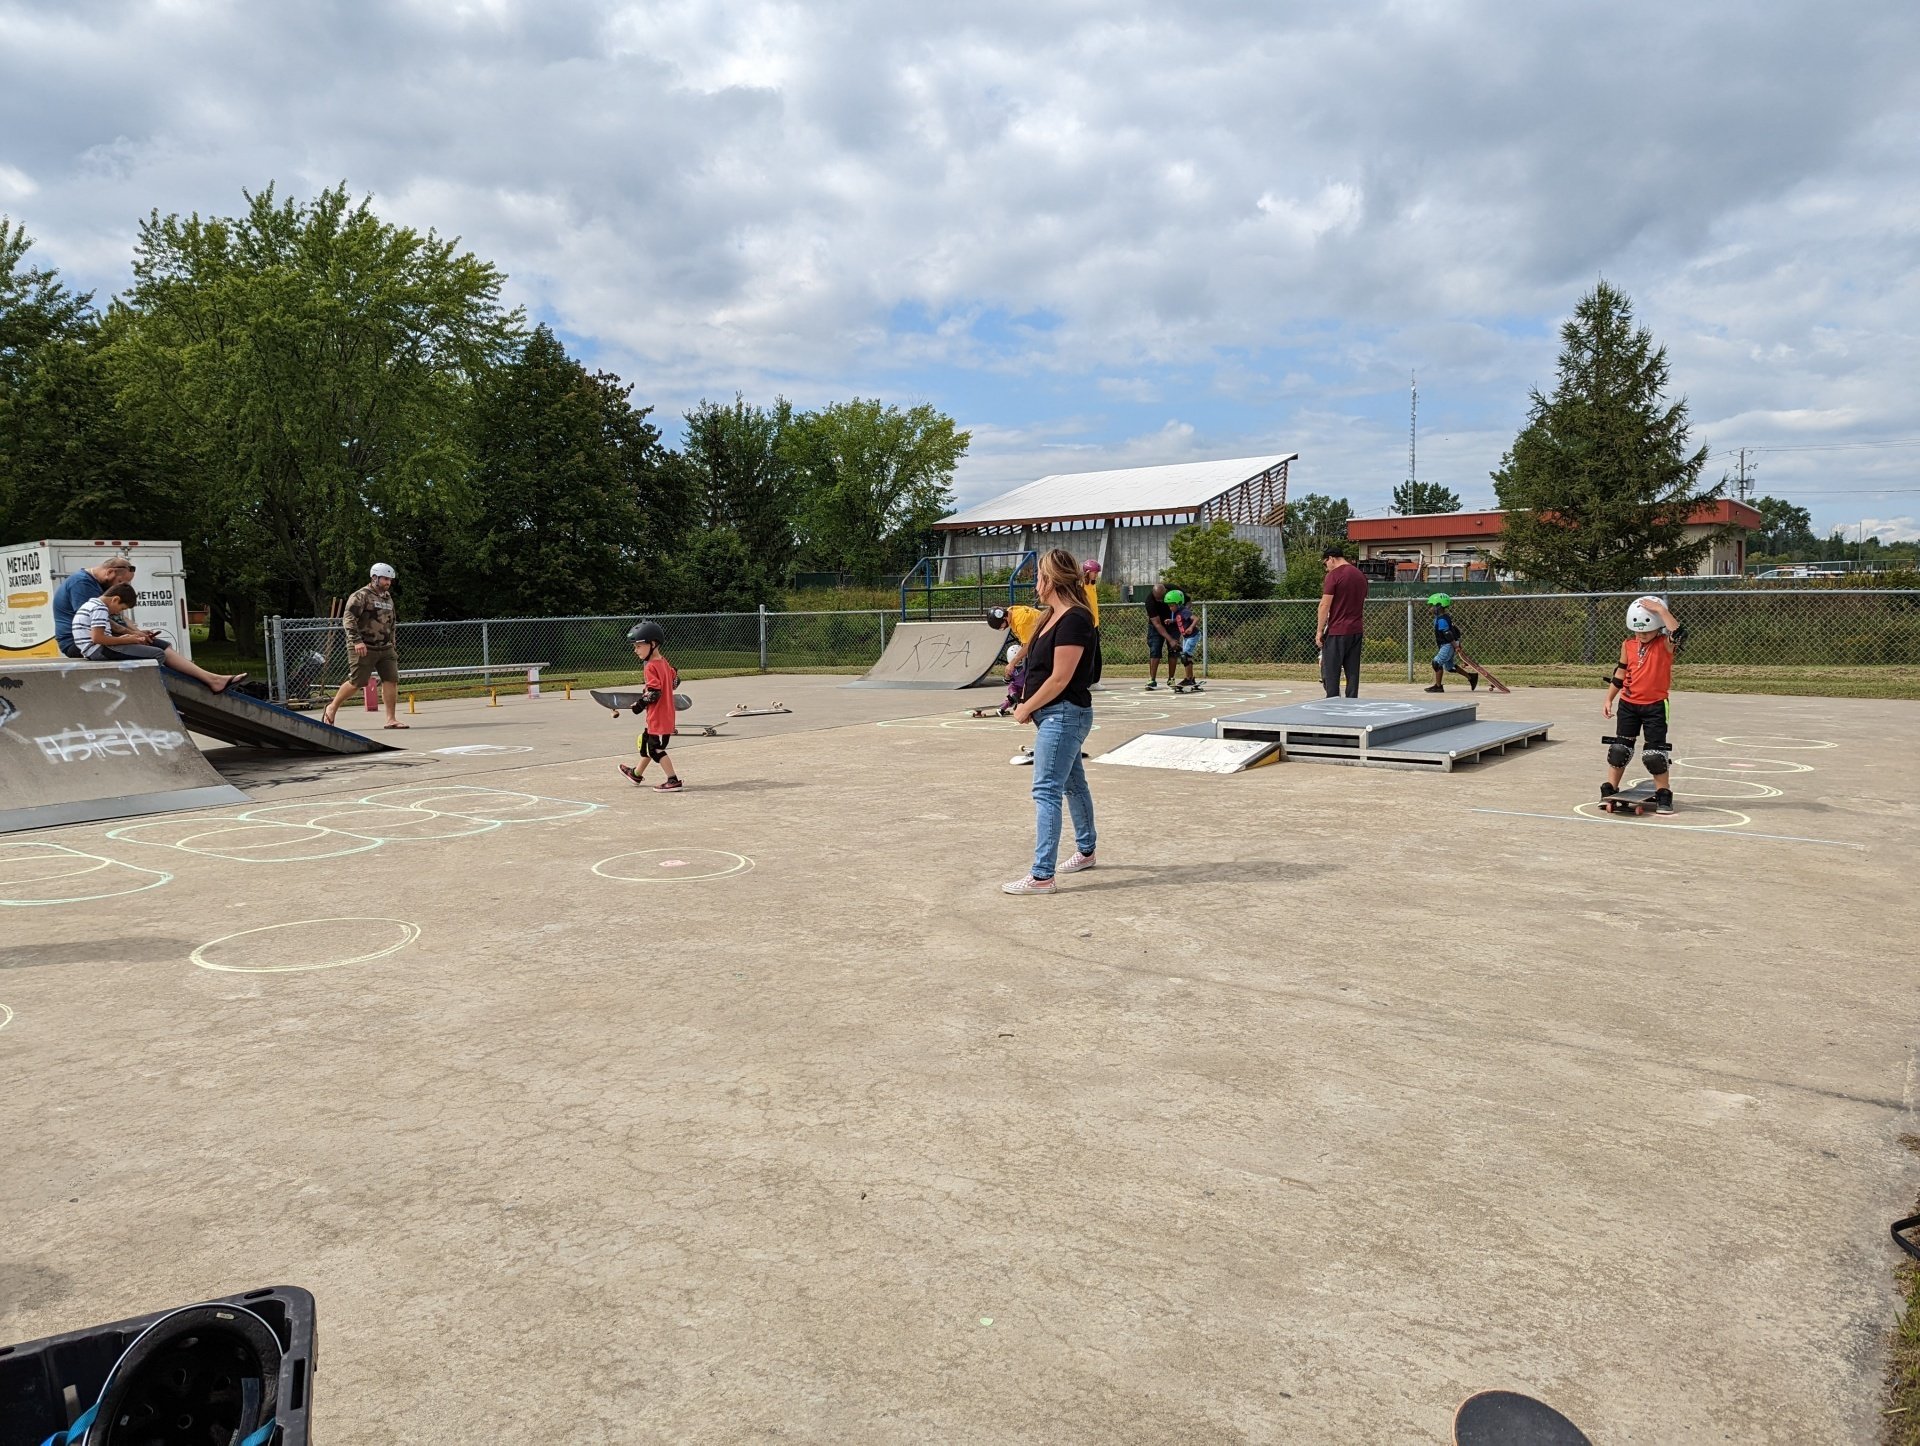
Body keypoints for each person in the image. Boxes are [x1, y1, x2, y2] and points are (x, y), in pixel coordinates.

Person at [1003, 549, 1100, 896]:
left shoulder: (1075, 618)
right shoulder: (1049, 617)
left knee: (1046, 791)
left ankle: (1042, 875)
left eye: (1039, 577)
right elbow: (1034, 649)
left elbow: (1060, 678)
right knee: (1073, 784)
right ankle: (1086, 850)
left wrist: (1025, 706)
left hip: (1064, 714)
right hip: (1053, 716)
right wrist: (1015, 667)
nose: (1036, 585)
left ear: (1053, 580)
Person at [72, 582, 246, 692]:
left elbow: (112, 626)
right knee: (157, 654)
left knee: (161, 644)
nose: (119, 612)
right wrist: (128, 640)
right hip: (98, 650)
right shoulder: (100, 608)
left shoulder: (94, 604)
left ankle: (212, 679)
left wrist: (136, 634)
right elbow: (98, 638)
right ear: (115, 599)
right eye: (122, 608)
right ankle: (165, 694)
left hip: (102, 647)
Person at [1604, 596, 1684, 815]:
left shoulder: (1665, 644)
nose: (1642, 635)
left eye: (1647, 632)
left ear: (1658, 627)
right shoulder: (1628, 645)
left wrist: (1661, 610)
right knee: (1620, 750)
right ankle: (1610, 789)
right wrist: (1609, 698)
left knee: (1654, 754)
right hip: (1628, 704)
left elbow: (1679, 633)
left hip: (1655, 706)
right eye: (1638, 632)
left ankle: (1664, 795)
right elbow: (1620, 673)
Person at [322, 563, 405, 729]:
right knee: (358, 682)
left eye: (390, 580)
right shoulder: (361, 596)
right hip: (364, 646)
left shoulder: (387, 597)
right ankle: (332, 707)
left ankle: (391, 719)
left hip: (385, 647)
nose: (388, 582)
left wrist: (392, 643)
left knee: (391, 680)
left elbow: (392, 622)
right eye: (385, 579)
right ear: (374, 578)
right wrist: (356, 641)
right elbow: (348, 619)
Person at [618, 620, 683, 792]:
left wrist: (638, 705)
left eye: (639, 646)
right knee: (647, 743)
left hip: (658, 717)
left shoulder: (650, 667)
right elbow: (675, 681)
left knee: (656, 749)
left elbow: (654, 693)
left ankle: (673, 780)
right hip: (665, 714)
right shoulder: (663, 662)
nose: (635, 650)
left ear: (652, 644)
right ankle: (636, 774)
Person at [53, 555, 137, 658]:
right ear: (110, 572)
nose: (120, 586)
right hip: (80, 643)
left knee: (150, 644)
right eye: (119, 581)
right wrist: (132, 634)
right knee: (151, 649)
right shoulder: (82, 583)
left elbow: (117, 616)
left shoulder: (98, 586)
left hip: (98, 638)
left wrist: (137, 632)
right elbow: (96, 619)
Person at [1316, 546, 1368, 698]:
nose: (1326, 568)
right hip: (1356, 629)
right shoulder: (1360, 575)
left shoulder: (1334, 575)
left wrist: (1319, 631)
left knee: (1330, 672)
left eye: (1325, 563)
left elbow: (1325, 605)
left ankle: (1332, 702)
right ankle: (1351, 701)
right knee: (1352, 672)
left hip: (1337, 630)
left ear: (1331, 558)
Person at [1423, 593, 1477, 693]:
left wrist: (1456, 646)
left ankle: (1438, 686)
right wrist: (1457, 644)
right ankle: (1471, 677)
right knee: (1449, 667)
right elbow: (1456, 631)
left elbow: (1448, 634)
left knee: (1436, 662)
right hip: (1449, 644)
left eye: (1432, 606)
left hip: (1448, 644)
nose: (1429, 608)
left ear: (1438, 607)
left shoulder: (1442, 619)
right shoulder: (1444, 617)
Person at [1143, 583, 1181, 690]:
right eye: (1157, 598)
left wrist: (1182, 615)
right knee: (1155, 649)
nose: (1159, 601)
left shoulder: (1173, 589)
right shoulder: (1150, 601)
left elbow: (1187, 601)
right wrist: (1170, 639)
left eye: (1162, 598)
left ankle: (1171, 679)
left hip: (1173, 623)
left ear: (1166, 592)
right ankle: (1152, 679)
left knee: (1174, 650)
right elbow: (1157, 624)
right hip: (1157, 626)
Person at [1166, 589, 1202, 691]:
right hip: (1187, 637)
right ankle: (1191, 678)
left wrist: (1190, 628)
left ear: (1178, 603)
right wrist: (1171, 621)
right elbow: (1179, 620)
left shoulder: (1184, 611)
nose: (1170, 608)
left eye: (1172, 605)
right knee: (1187, 657)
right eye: (1169, 606)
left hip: (1193, 635)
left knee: (1185, 656)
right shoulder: (1177, 612)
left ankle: (1188, 679)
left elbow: (1196, 619)